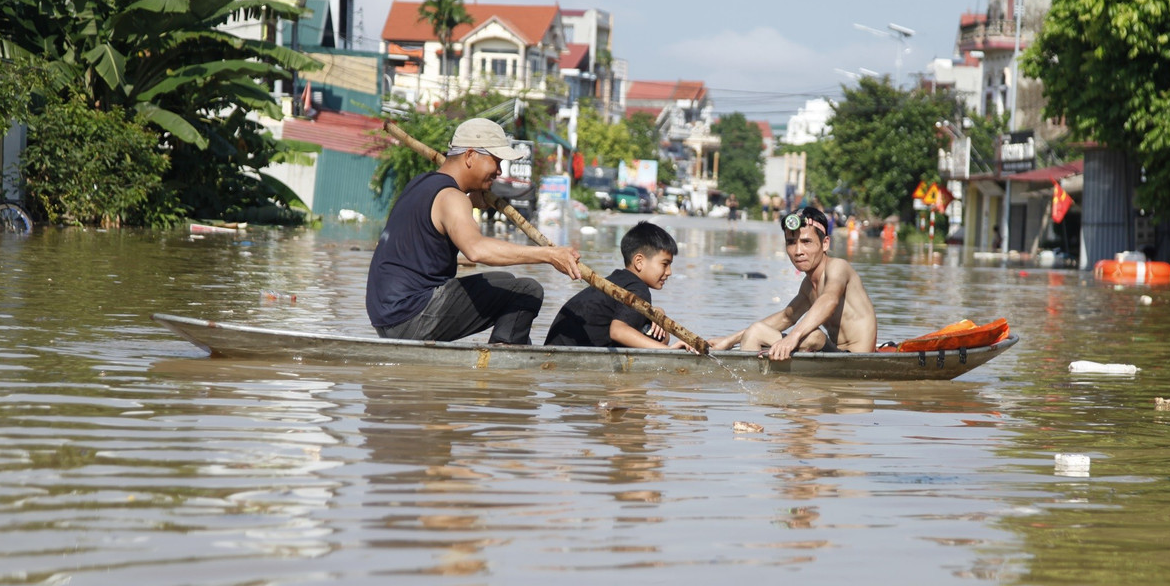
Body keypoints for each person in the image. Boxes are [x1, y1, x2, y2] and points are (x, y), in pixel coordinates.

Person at [365, 117, 581, 344]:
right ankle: (503, 362)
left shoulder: (421, 184)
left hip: (386, 318)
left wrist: (470, 199)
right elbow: (476, 250)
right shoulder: (452, 198)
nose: (498, 171)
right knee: (527, 290)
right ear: (470, 156)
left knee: (503, 280)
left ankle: (515, 347)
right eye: (495, 162)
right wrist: (549, 255)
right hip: (410, 318)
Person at [708, 205, 878, 360]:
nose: (798, 251)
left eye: (806, 242)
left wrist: (792, 338)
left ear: (825, 243)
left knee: (814, 337)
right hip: (835, 355)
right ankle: (753, 386)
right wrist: (728, 342)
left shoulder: (838, 267)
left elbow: (829, 299)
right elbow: (787, 316)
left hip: (858, 358)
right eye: (791, 243)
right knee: (755, 331)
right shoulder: (808, 285)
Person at [545, 221, 687, 349]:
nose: (669, 272)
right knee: (660, 337)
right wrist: (666, 351)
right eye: (665, 264)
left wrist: (655, 312)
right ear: (639, 261)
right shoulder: (638, 289)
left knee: (656, 331)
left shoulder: (618, 280)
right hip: (568, 355)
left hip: (555, 346)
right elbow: (618, 331)